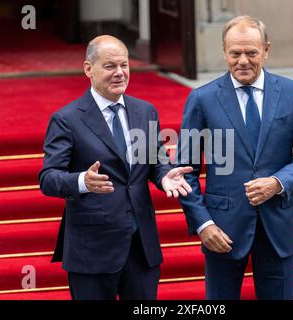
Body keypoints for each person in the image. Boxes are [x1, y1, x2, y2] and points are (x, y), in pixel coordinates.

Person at [177, 16, 293, 300]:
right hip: (221, 229)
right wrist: (203, 224)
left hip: (277, 228)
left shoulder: (292, 94)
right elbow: (185, 170)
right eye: (235, 53)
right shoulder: (202, 99)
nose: (242, 61)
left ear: (266, 50)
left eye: (251, 53)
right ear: (224, 52)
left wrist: (278, 182)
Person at [39, 35, 192, 300]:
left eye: (125, 65)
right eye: (110, 66)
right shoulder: (67, 119)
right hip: (92, 250)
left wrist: (165, 174)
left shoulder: (145, 112)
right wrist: (81, 182)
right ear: (89, 69)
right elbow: (48, 178)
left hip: (141, 247)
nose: (120, 73)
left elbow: (155, 160)